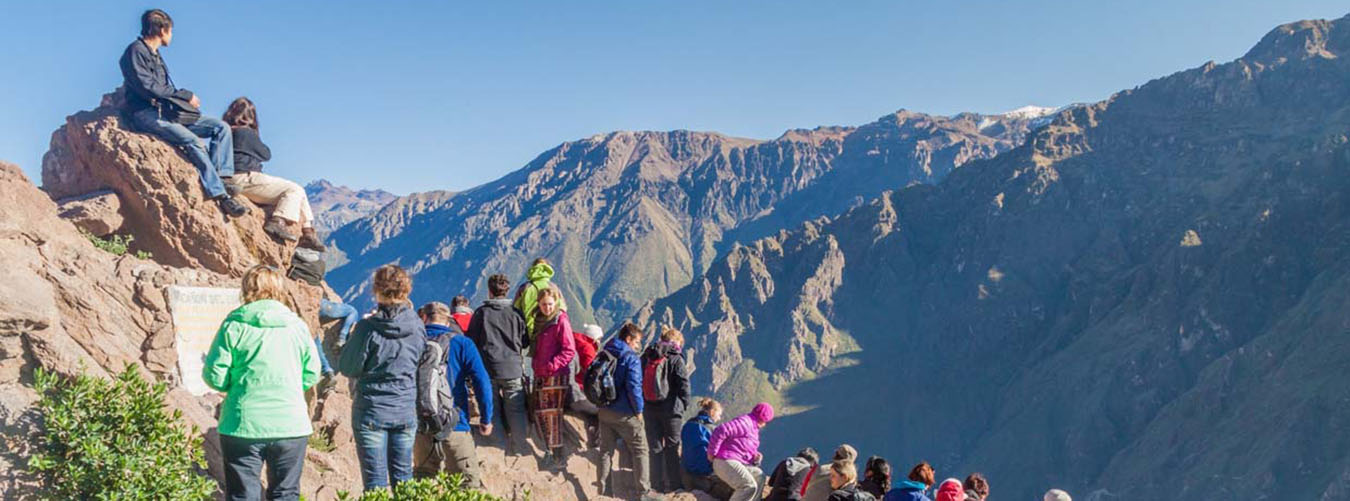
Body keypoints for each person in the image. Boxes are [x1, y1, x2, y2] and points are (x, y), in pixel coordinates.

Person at [202, 265, 320, 501]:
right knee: (285, 493)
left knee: (243, 494)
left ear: (246, 288)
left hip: (242, 423)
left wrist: (237, 386)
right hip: (290, 424)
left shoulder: (234, 325)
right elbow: (312, 373)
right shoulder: (297, 326)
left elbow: (214, 375)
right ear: (279, 290)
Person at [119, 9, 248, 218]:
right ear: (162, 29)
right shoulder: (135, 51)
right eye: (171, 30)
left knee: (220, 127)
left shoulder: (155, 54)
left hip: (167, 112)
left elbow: (160, 88)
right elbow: (148, 86)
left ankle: (222, 177)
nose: (172, 35)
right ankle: (222, 196)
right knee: (193, 141)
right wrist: (185, 96)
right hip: (146, 113)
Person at [338, 265, 425, 491]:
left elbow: (348, 367)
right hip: (405, 409)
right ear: (406, 290)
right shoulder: (417, 325)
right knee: (404, 480)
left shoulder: (367, 328)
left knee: (375, 484)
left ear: (376, 290)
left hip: (372, 410)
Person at [221, 97, 324, 250]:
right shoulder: (246, 132)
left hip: (231, 177)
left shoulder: (224, 132)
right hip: (245, 177)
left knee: (299, 192)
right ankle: (278, 221)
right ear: (250, 115)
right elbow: (266, 154)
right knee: (294, 189)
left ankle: (308, 231)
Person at [411, 302, 493, 488]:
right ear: (448, 321)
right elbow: (482, 382)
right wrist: (486, 419)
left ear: (424, 317)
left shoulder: (413, 342)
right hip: (455, 424)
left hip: (421, 426)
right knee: (466, 485)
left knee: (423, 484)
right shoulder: (462, 343)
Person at [464, 274, 530, 457]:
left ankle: (498, 445)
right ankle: (519, 447)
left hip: (489, 368)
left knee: (491, 407)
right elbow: (525, 341)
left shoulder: (481, 313)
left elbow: (472, 341)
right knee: (516, 409)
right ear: (507, 290)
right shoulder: (516, 314)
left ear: (490, 291)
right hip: (513, 368)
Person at [595, 323, 655, 498]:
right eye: (636, 342)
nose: (638, 346)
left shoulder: (606, 351)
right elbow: (634, 387)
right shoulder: (631, 358)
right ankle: (644, 492)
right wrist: (639, 411)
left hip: (604, 410)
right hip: (625, 413)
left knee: (605, 451)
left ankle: (604, 491)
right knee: (640, 450)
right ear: (628, 339)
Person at [286, 246, 357, 389]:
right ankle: (342, 338)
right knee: (352, 311)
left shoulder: (293, 262)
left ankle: (327, 371)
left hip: (302, 303)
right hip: (321, 303)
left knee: (314, 337)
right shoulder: (320, 264)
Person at [530, 287, 576, 467]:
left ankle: (557, 456)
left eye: (549, 304)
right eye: (543, 304)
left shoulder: (560, 321)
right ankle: (550, 450)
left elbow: (569, 350)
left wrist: (551, 366)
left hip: (555, 376)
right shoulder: (540, 320)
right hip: (542, 373)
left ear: (555, 302)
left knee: (552, 414)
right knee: (543, 412)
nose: (547, 308)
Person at [642, 327, 691, 492]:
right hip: (671, 411)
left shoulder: (647, 355)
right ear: (676, 343)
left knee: (654, 448)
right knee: (672, 447)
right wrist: (684, 404)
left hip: (649, 408)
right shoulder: (676, 359)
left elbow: (637, 379)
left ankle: (655, 485)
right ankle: (675, 486)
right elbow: (683, 384)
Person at [709, 402, 775, 501]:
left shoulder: (753, 427)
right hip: (725, 461)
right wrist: (712, 453)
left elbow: (741, 446)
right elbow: (721, 430)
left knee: (759, 476)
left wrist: (754, 456)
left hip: (734, 461)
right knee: (748, 486)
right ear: (763, 419)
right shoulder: (745, 422)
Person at [681, 398, 733, 497]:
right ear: (712, 412)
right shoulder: (713, 430)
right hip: (704, 472)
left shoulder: (687, 424)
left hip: (686, 468)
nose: (719, 418)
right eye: (719, 414)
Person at [513, 258, 567, 342]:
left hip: (529, 332)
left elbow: (515, 310)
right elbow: (563, 310)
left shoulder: (524, 288)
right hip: (551, 331)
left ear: (533, 269)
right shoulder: (554, 288)